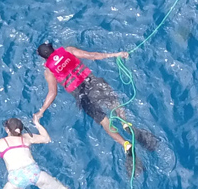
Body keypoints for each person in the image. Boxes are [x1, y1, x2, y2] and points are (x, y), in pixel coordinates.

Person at [35, 42, 158, 174]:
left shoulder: (49, 71)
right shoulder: (68, 50)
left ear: (44, 58)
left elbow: (52, 93)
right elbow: (93, 55)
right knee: (114, 103)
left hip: (82, 96)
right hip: (93, 83)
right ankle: (125, 123)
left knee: (104, 121)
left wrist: (41, 111)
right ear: (53, 48)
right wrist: (117, 54)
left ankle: (126, 145)